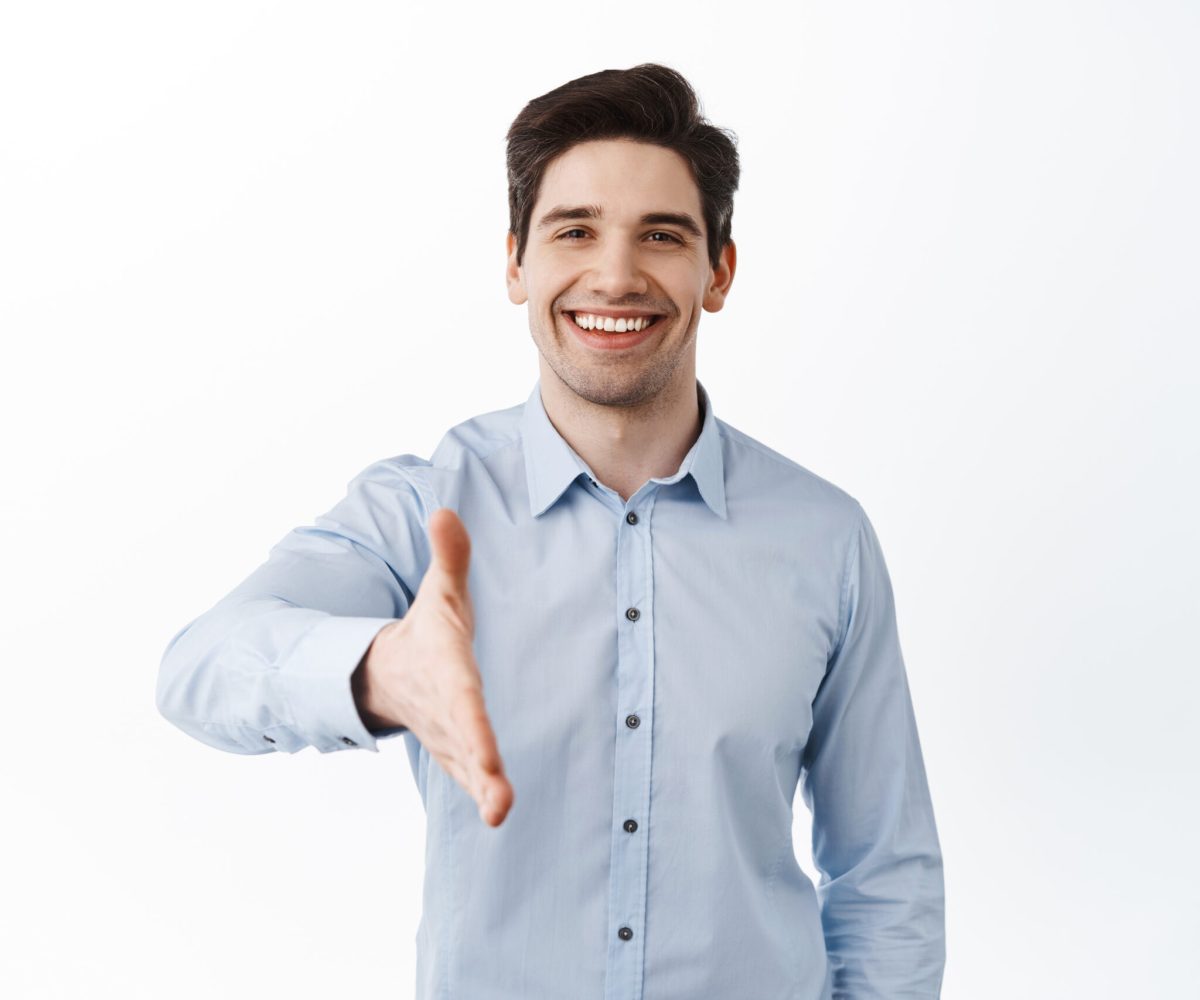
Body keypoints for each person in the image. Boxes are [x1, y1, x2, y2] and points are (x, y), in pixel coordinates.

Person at [156, 62, 945, 999]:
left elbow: (884, 872)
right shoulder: (423, 513)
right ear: (516, 264)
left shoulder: (824, 540)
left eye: (662, 234)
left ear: (719, 271)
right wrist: (378, 670)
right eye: (576, 230)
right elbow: (200, 668)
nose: (615, 274)